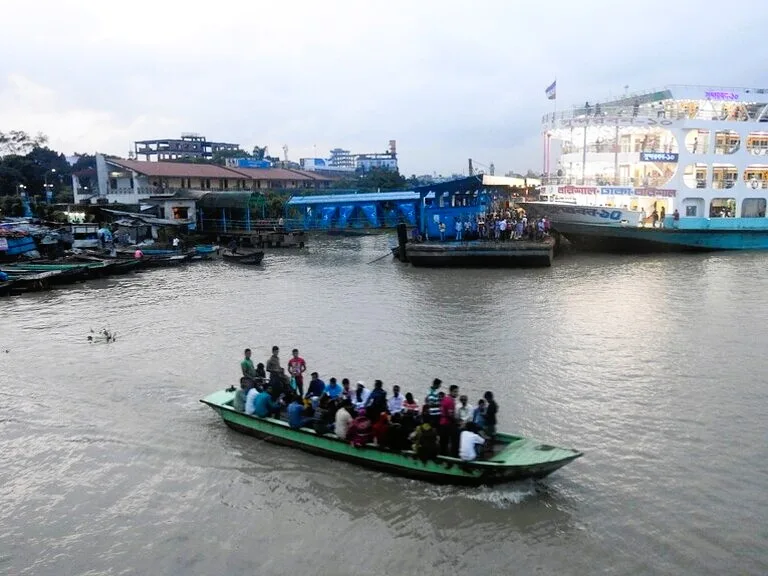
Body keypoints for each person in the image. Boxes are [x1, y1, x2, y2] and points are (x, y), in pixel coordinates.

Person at [439, 384, 460, 456]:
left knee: (443, 442)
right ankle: (453, 455)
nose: (457, 393)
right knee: (455, 439)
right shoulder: (450, 401)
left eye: (457, 392)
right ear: (451, 391)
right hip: (447, 423)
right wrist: (457, 422)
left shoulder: (445, 398)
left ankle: (442, 455)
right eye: (455, 392)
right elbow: (450, 415)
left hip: (442, 422)